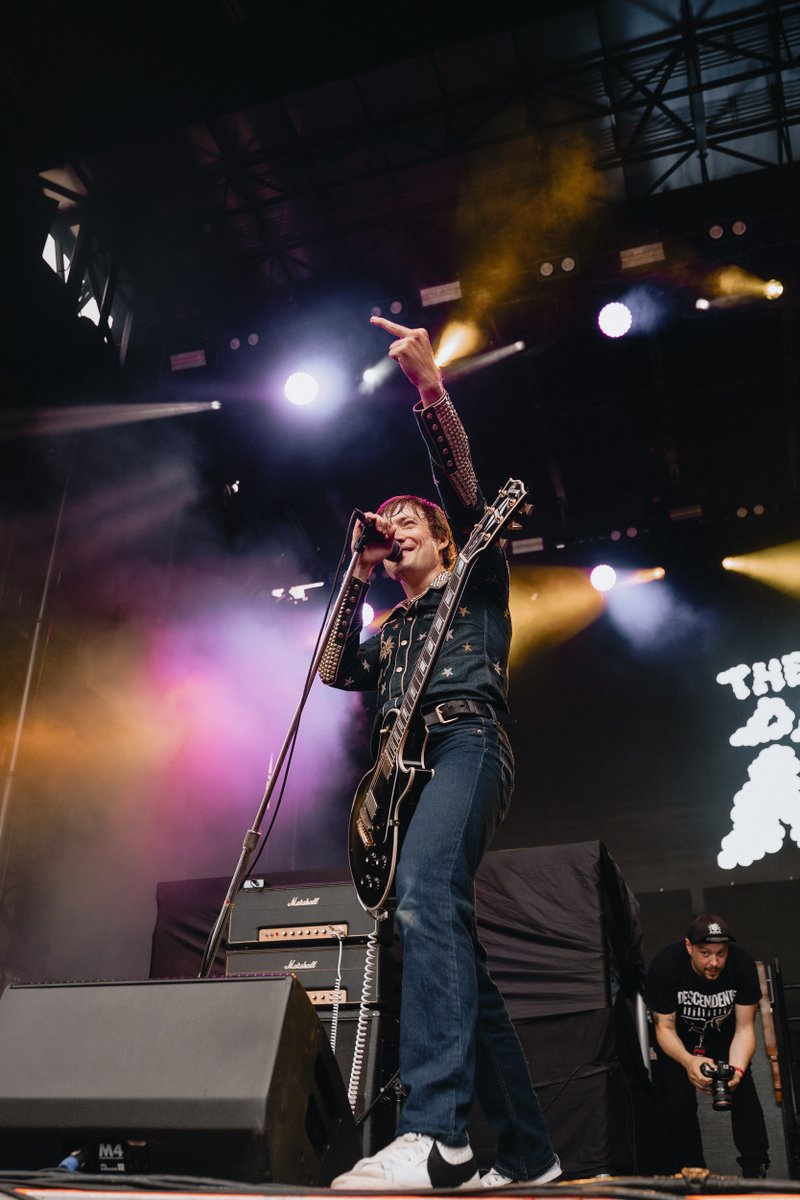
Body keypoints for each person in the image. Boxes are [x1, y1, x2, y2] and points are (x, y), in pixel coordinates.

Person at [319, 315, 560, 1190]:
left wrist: (431, 392)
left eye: (409, 518)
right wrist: (353, 573)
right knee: (452, 943)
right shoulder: (389, 626)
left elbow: (463, 486)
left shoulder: (475, 580)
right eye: (388, 525)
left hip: (469, 743)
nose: (398, 525)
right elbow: (333, 668)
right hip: (408, 777)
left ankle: (437, 1136)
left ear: (442, 538)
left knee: (424, 900)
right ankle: (532, 1155)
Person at [645, 913, 769, 1178]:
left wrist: (736, 1068)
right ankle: (694, 1174)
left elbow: (745, 1028)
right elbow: (663, 1028)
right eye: (705, 953)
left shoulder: (742, 965)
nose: (714, 962)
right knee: (678, 1101)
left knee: (744, 1090)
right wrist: (689, 1061)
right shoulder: (666, 966)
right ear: (689, 946)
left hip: (724, 1041)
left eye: (720, 953)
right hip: (678, 1046)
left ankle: (755, 1171)